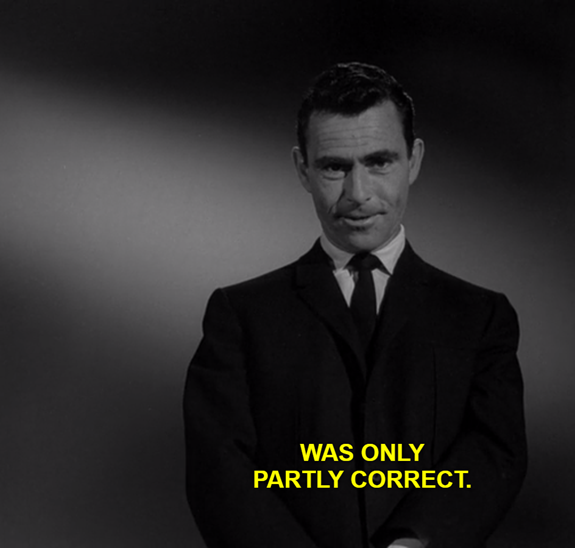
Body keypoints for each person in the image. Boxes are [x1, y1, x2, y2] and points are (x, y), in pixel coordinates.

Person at [183, 62, 527, 548]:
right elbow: (219, 469)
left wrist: (413, 543)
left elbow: (492, 453)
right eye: (334, 167)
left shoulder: (480, 318)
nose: (358, 194)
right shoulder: (240, 316)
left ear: (414, 160)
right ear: (302, 169)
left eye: (379, 162)